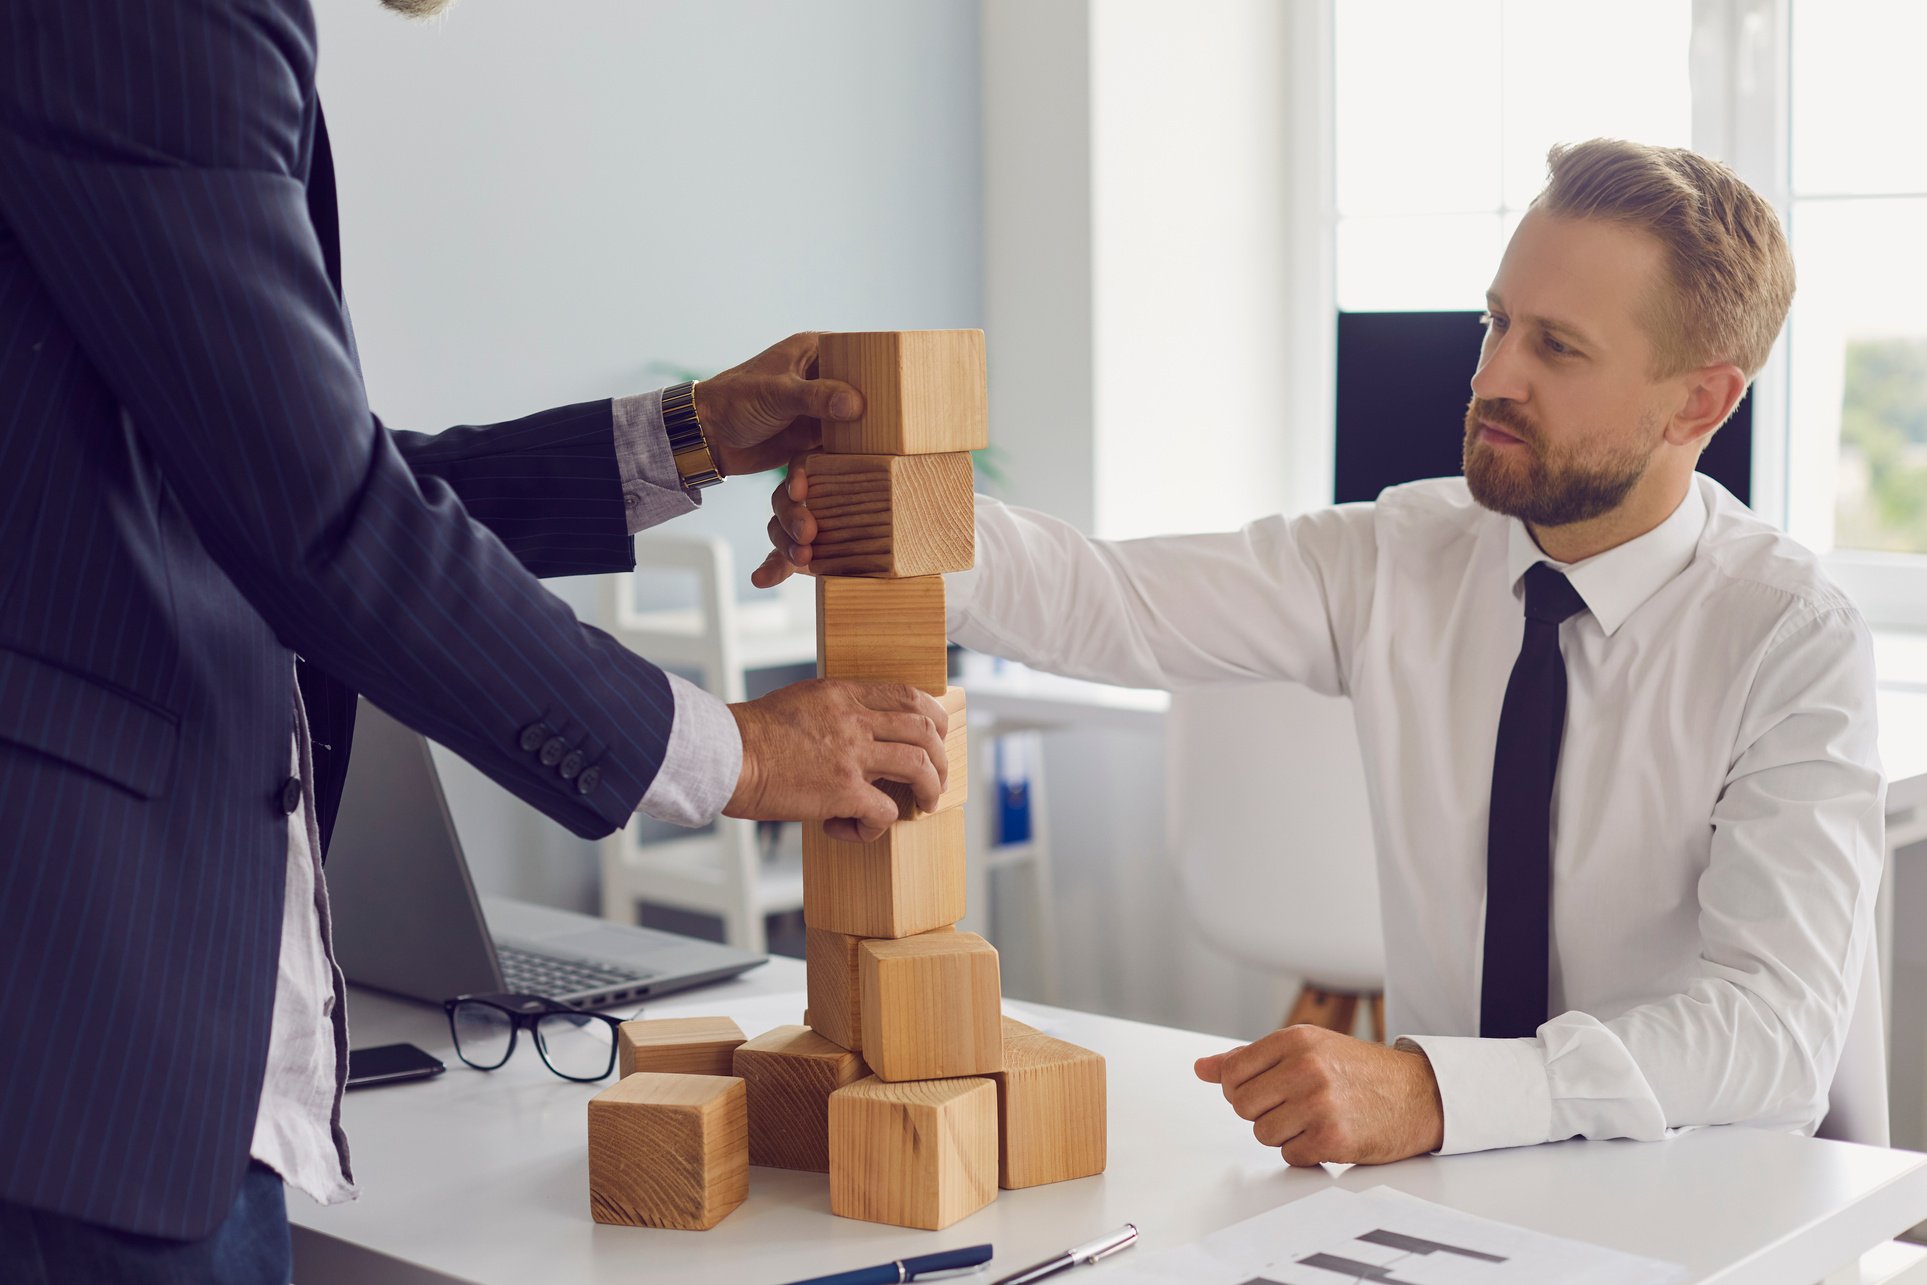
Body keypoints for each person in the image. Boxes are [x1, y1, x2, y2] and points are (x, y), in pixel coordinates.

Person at [0, 0, 949, 1279]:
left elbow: (249, 471)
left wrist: (684, 436)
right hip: (79, 1040)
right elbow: (315, 510)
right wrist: (736, 753)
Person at [763, 140, 1885, 1168]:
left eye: (1558, 346)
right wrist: (892, 517)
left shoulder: (1789, 637)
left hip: (1701, 1191)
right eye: (1496, 321)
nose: (1494, 376)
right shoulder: (1403, 552)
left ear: (1699, 401)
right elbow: (1108, 599)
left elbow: (1772, 1030)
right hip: (1449, 1195)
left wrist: (1440, 1092)